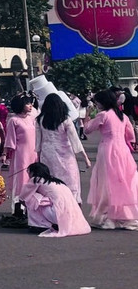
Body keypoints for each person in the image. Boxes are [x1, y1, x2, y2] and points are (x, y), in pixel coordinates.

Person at [84, 89, 138, 230]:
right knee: (122, 181)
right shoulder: (123, 116)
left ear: (102, 102)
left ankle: (107, 216)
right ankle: (124, 214)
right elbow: (130, 135)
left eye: (97, 103)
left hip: (107, 149)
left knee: (106, 183)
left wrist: (87, 116)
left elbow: (87, 130)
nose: (96, 105)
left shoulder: (104, 115)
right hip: (123, 151)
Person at [36, 93, 86, 204]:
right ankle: (72, 202)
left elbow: (38, 141)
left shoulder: (40, 120)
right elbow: (75, 140)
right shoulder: (65, 119)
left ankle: (53, 202)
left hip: (47, 152)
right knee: (70, 178)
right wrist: (85, 157)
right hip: (65, 152)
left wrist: (38, 156)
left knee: (51, 179)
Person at [20, 162, 90, 238]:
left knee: (33, 198)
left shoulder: (37, 179)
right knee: (41, 199)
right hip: (70, 216)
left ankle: (39, 225)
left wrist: (25, 205)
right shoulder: (57, 181)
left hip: (56, 214)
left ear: (33, 172)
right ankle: (52, 223)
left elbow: (23, 197)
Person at [3, 94, 39, 211]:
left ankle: (32, 207)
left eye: (30, 103)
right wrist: (4, 154)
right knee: (21, 179)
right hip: (21, 154)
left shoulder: (31, 118)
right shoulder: (13, 120)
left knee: (33, 178)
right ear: (20, 105)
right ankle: (17, 208)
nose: (30, 105)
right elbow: (9, 140)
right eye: (27, 103)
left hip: (33, 153)